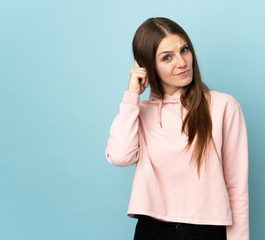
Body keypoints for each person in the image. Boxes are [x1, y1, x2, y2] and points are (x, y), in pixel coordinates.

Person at [105, 17, 249, 240]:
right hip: (153, 231)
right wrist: (132, 96)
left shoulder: (223, 106)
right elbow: (120, 156)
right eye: (167, 57)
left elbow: (236, 188)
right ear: (147, 66)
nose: (182, 62)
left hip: (207, 231)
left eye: (184, 50)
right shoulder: (137, 113)